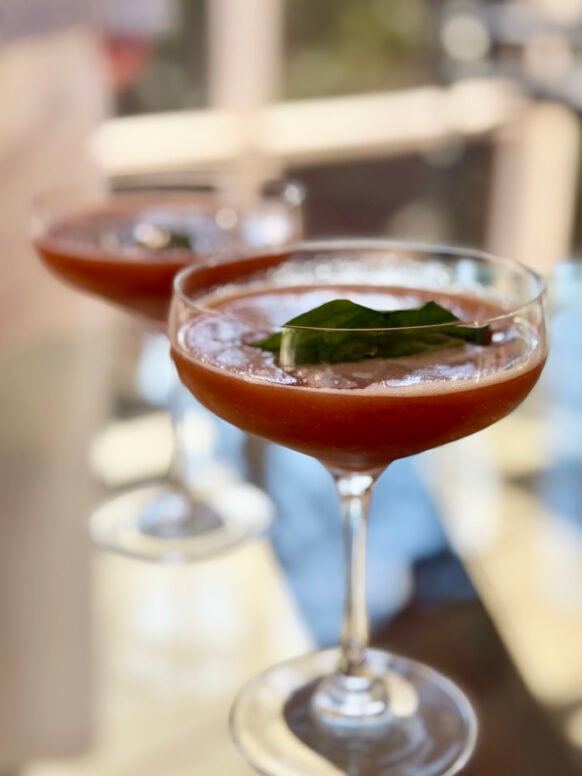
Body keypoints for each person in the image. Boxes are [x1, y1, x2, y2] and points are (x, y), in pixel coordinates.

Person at [0, 2, 174, 772]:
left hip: (38, 64)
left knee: (45, 460)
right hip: (40, 58)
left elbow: (126, 43)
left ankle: (25, 731)